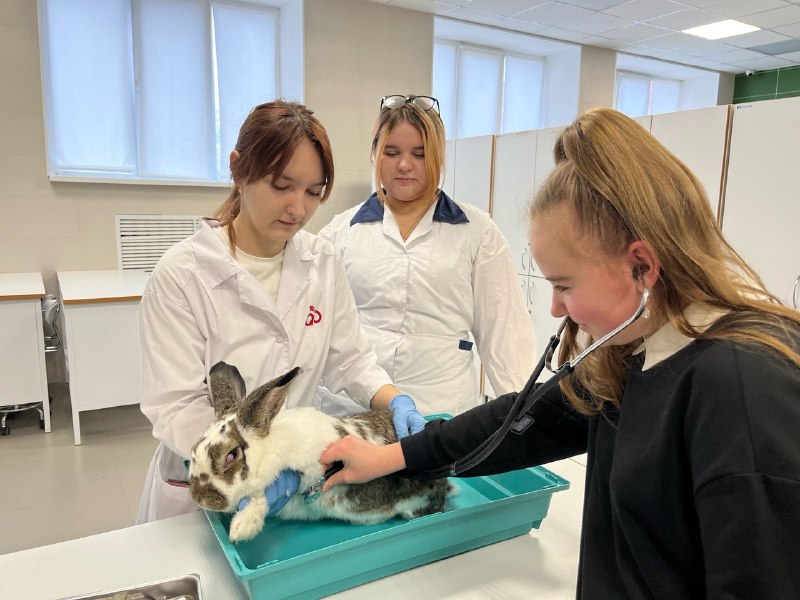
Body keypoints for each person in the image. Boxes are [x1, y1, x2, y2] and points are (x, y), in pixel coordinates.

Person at [320, 107, 800, 597]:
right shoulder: (633, 354)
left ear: (641, 266)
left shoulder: (741, 386)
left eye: (564, 285)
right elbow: (518, 420)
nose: (553, 309)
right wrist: (393, 457)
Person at [136, 100, 425, 524]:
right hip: (209, 484)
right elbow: (176, 405)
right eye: (281, 186)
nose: (298, 209)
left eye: (313, 192)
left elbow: (350, 360)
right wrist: (254, 466)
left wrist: (395, 400)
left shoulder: (322, 261)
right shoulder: (181, 275)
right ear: (238, 169)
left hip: (293, 483)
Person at [316, 94, 537, 417]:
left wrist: (521, 421)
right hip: (352, 410)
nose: (405, 165)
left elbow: (505, 335)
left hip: (441, 412)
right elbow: (316, 329)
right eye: (391, 152)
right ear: (375, 154)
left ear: (439, 157)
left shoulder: (477, 232)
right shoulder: (340, 232)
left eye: (419, 154)